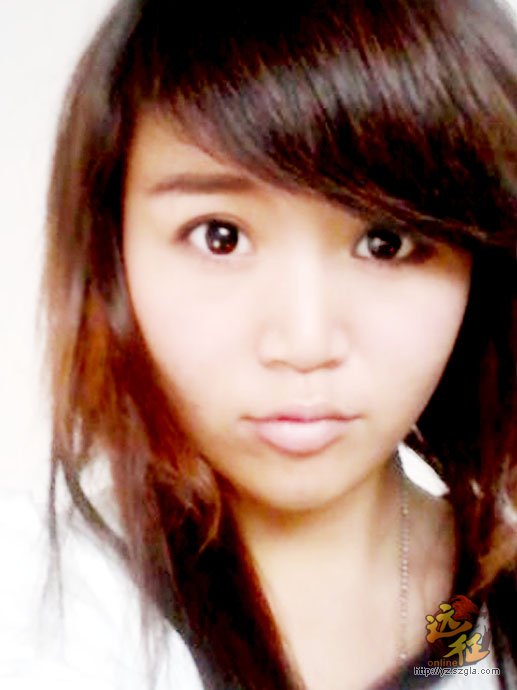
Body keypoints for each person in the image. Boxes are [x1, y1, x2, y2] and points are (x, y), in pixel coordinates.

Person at [19, 0, 517, 688]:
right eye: (220, 236)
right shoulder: (41, 602)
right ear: (114, 252)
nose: (304, 343)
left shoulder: (476, 604)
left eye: (386, 242)